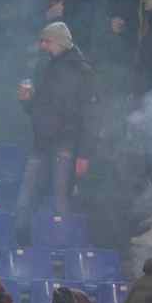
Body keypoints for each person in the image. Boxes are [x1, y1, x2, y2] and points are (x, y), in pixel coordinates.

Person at [14, 22, 97, 244]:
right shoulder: (46, 66)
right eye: (41, 41)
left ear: (59, 42)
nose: (42, 46)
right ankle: (21, 244)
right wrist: (27, 101)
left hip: (66, 143)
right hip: (41, 142)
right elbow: (37, 108)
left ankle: (63, 248)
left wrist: (84, 154)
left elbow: (89, 116)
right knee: (27, 194)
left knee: (60, 199)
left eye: (46, 41)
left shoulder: (82, 71)